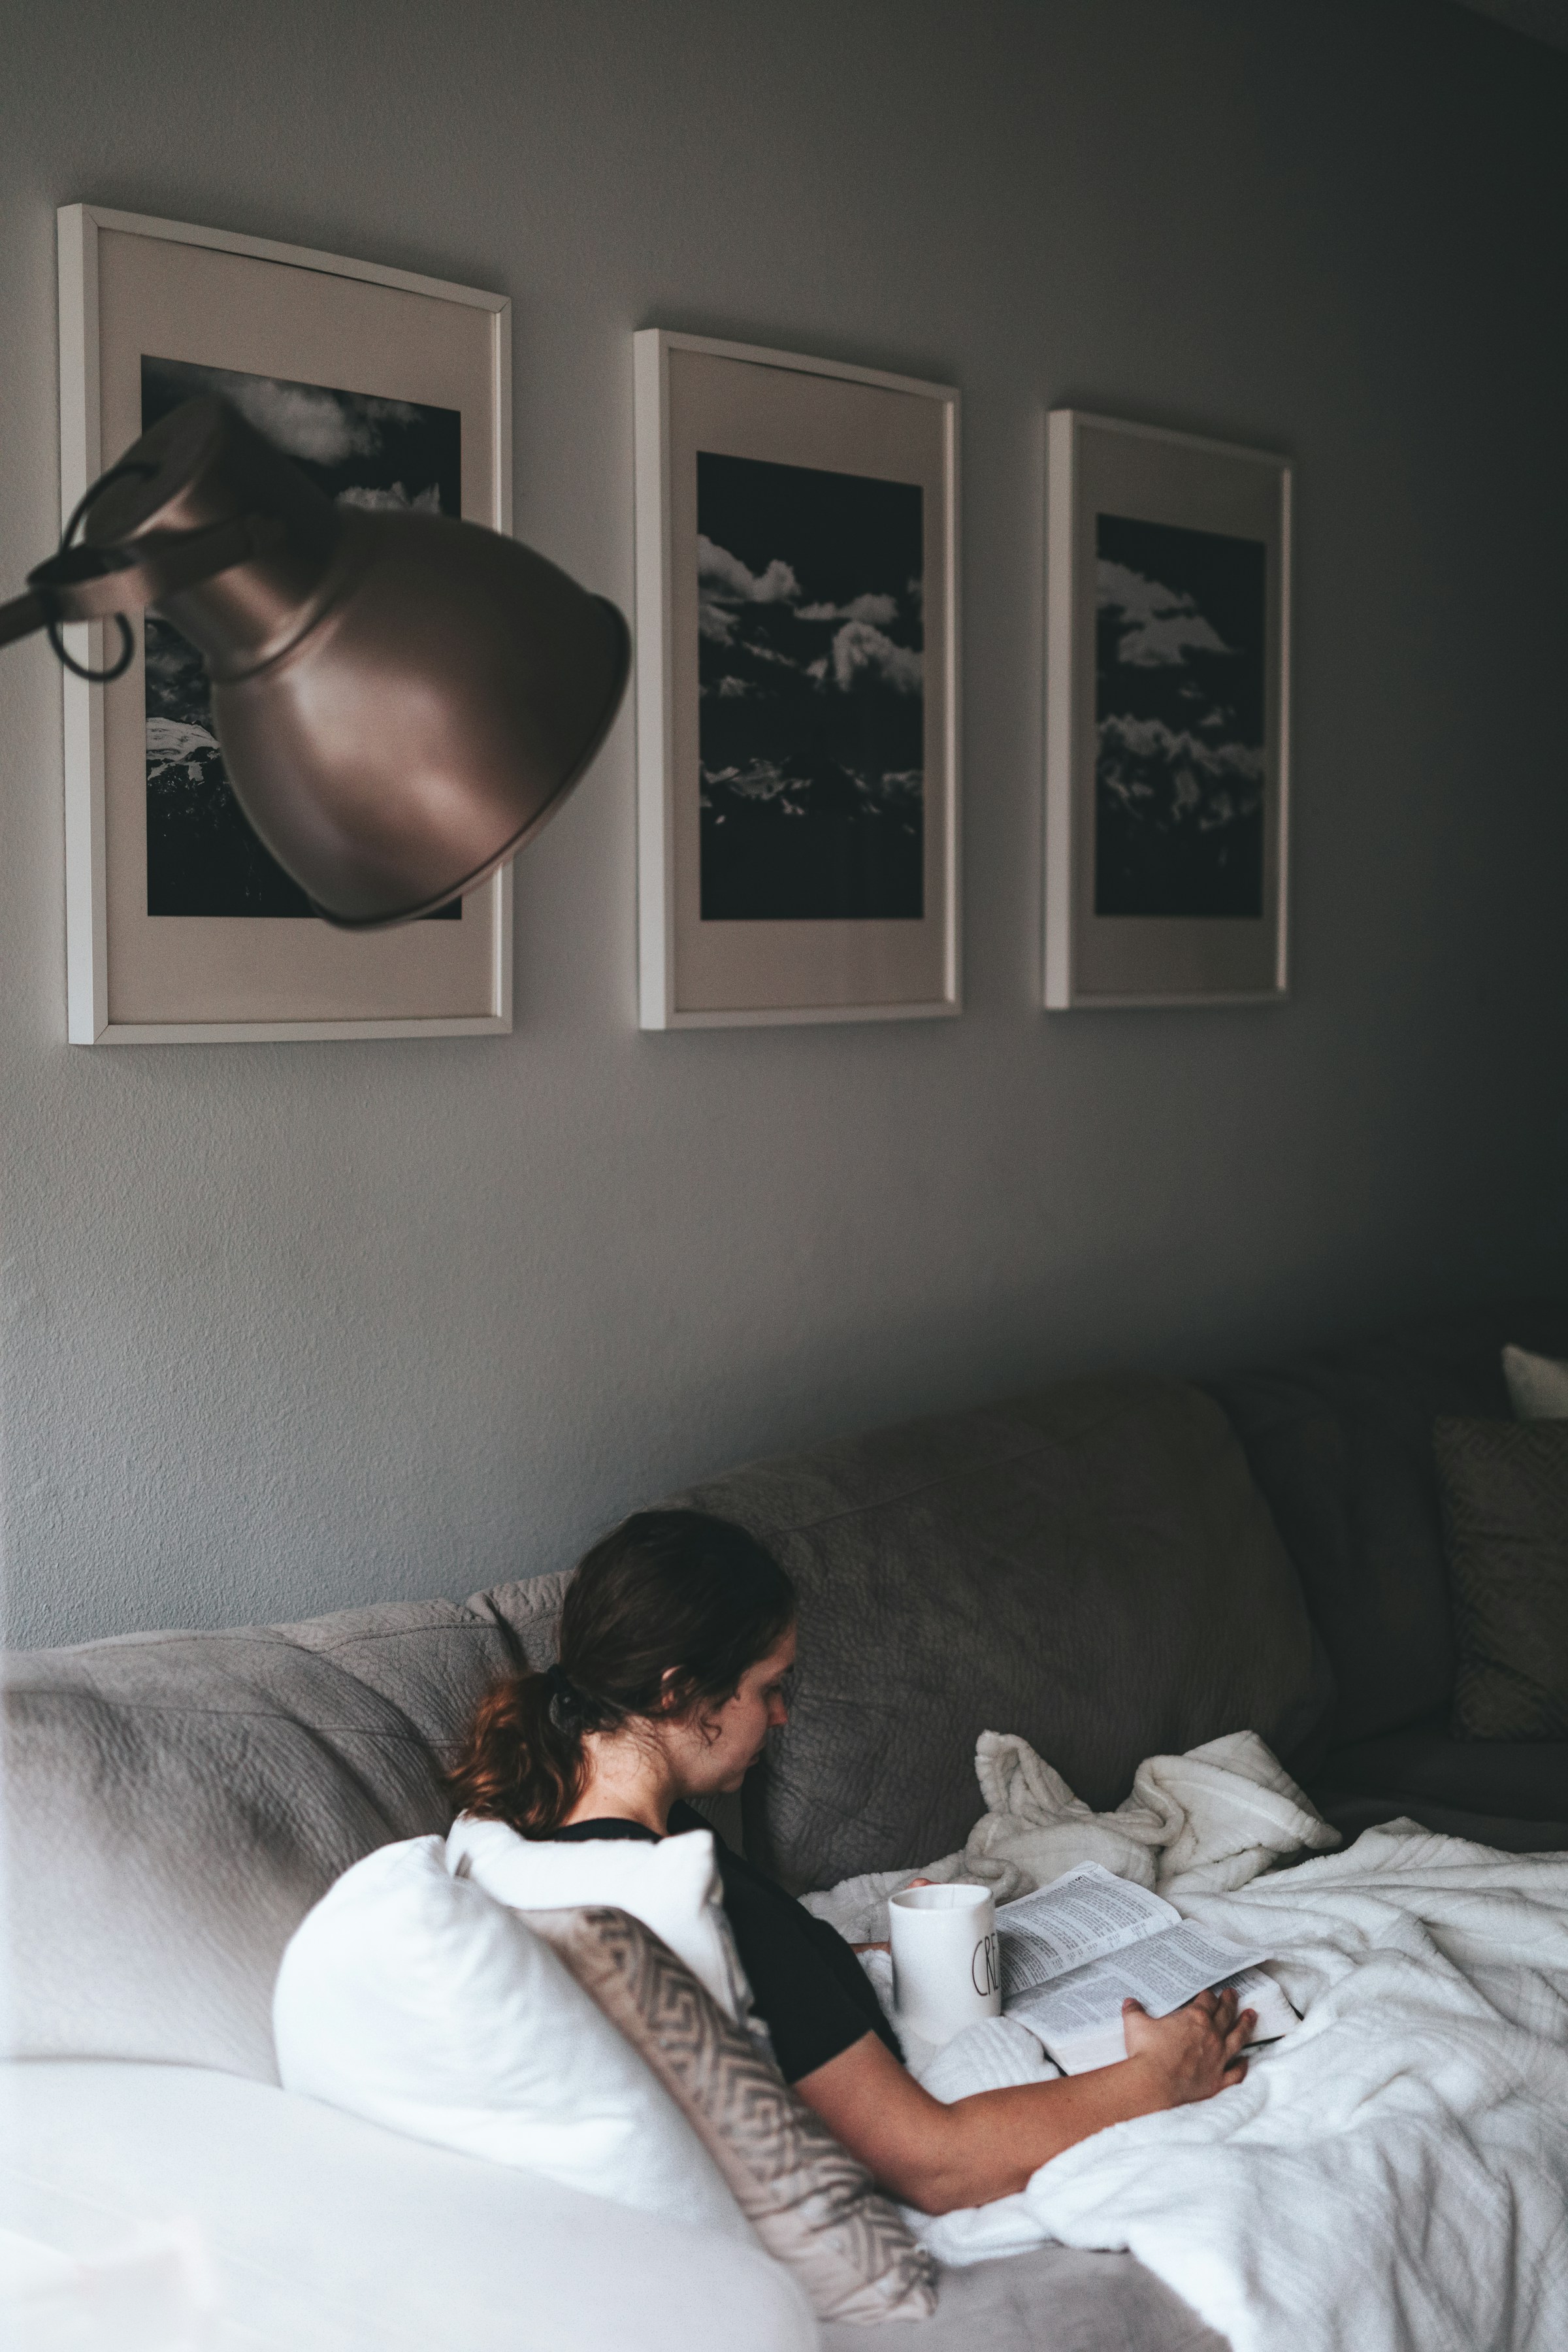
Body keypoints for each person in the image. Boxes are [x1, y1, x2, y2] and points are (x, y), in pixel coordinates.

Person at [446, 1507, 1254, 2217]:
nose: (783, 1713)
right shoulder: (696, 1899)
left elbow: (779, 1997)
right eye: (768, 1687)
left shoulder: (535, 1823)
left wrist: (856, 1959)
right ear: (677, 1695)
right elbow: (935, 2164)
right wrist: (1160, 2078)